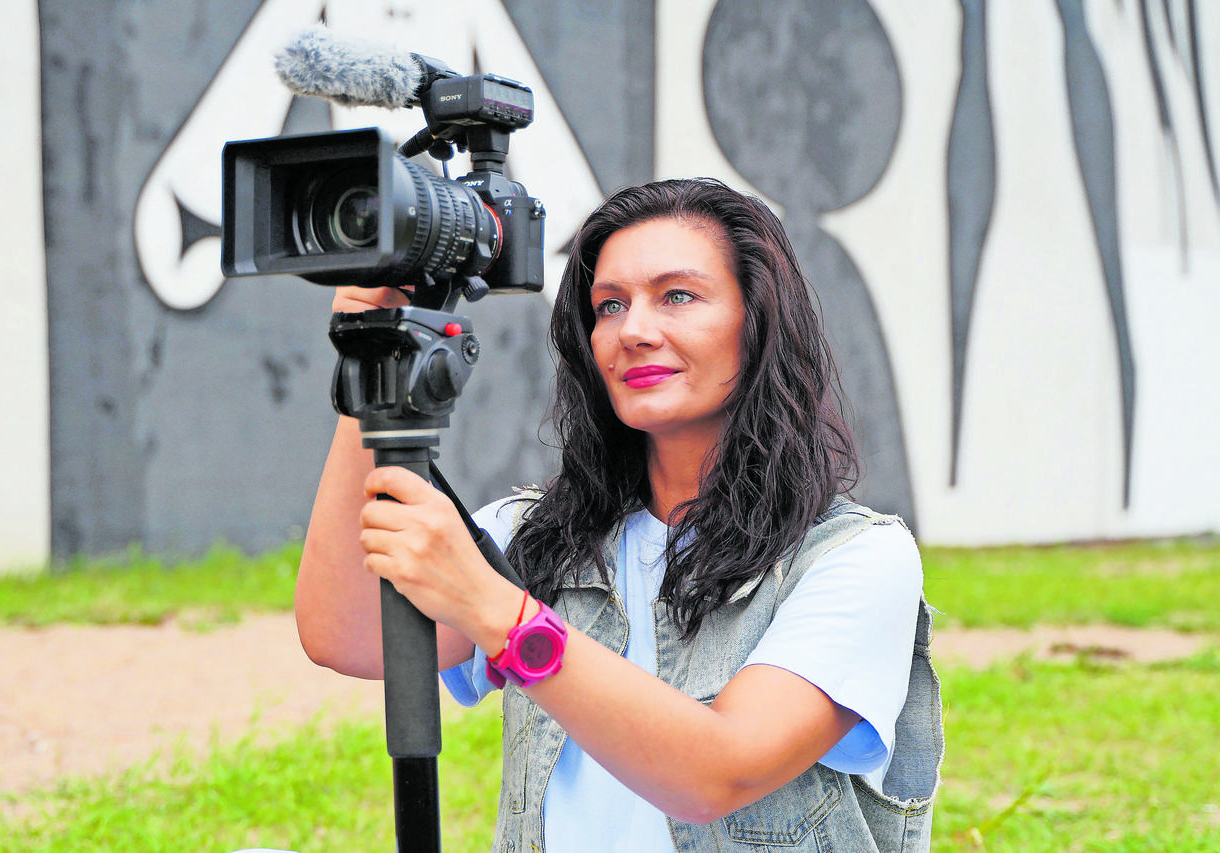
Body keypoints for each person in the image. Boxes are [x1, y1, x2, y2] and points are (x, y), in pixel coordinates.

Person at [295, 178, 943, 852]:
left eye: (678, 296)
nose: (633, 331)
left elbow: (720, 772)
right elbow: (348, 638)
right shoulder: (542, 534)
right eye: (610, 305)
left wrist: (505, 617)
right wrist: (371, 362)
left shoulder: (854, 558)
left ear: (759, 321)